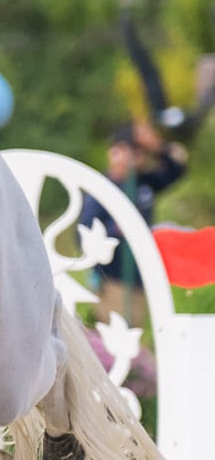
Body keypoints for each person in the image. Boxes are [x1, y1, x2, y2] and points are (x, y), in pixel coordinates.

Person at [79, 120, 188, 325]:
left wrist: (157, 146)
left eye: (137, 152)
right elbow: (83, 235)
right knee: (116, 337)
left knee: (136, 335)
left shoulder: (143, 182)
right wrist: (116, 230)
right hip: (113, 279)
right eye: (122, 151)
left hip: (140, 275)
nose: (130, 158)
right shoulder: (101, 189)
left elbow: (177, 169)